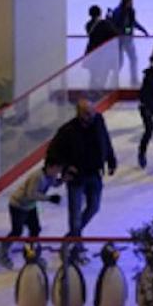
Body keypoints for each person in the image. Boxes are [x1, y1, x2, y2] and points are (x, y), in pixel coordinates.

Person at [46, 98, 117, 250]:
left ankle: (71, 236)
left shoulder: (98, 121)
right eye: (87, 113)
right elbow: (53, 152)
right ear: (78, 113)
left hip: (94, 173)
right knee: (75, 216)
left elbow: (105, 140)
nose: (91, 115)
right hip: (76, 178)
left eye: (93, 111)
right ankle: (77, 246)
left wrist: (111, 160)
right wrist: (65, 167)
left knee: (94, 207)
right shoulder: (67, 131)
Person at [0, 162, 63, 268]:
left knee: (35, 229)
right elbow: (31, 194)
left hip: (29, 206)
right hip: (18, 205)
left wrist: (64, 179)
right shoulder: (37, 176)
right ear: (49, 166)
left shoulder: (50, 175)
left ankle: (30, 255)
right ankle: (0, 253)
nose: (58, 173)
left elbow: (54, 183)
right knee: (17, 231)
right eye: (57, 169)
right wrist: (49, 198)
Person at [110, 0, 148, 87]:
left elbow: (133, 23)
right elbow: (116, 26)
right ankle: (114, 81)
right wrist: (125, 31)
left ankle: (134, 80)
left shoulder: (131, 11)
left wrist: (143, 30)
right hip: (119, 40)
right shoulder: (118, 11)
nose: (132, 3)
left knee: (133, 59)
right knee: (120, 62)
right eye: (131, 1)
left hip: (128, 40)